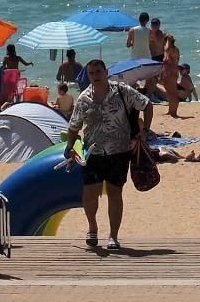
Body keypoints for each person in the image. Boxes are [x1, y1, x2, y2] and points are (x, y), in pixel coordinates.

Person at [64, 58, 153, 250]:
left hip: (119, 150)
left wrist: (144, 131)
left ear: (106, 72)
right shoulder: (84, 99)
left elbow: (147, 105)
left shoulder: (122, 91)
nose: (95, 76)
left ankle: (113, 235)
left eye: (98, 72)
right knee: (90, 192)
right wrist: (70, 147)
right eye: (91, 73)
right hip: (93, 152)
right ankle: (92, 227)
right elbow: (73, 127)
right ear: (88, 76)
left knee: (114, 192)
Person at [160, 34, 182, 118]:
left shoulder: (171, 50)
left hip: (171, 73)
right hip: (168, 72)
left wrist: (168, 39)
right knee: (169, 92)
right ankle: (170, 110)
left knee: (173, 93)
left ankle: (174, 112)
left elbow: (170, 61)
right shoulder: (169, 50)